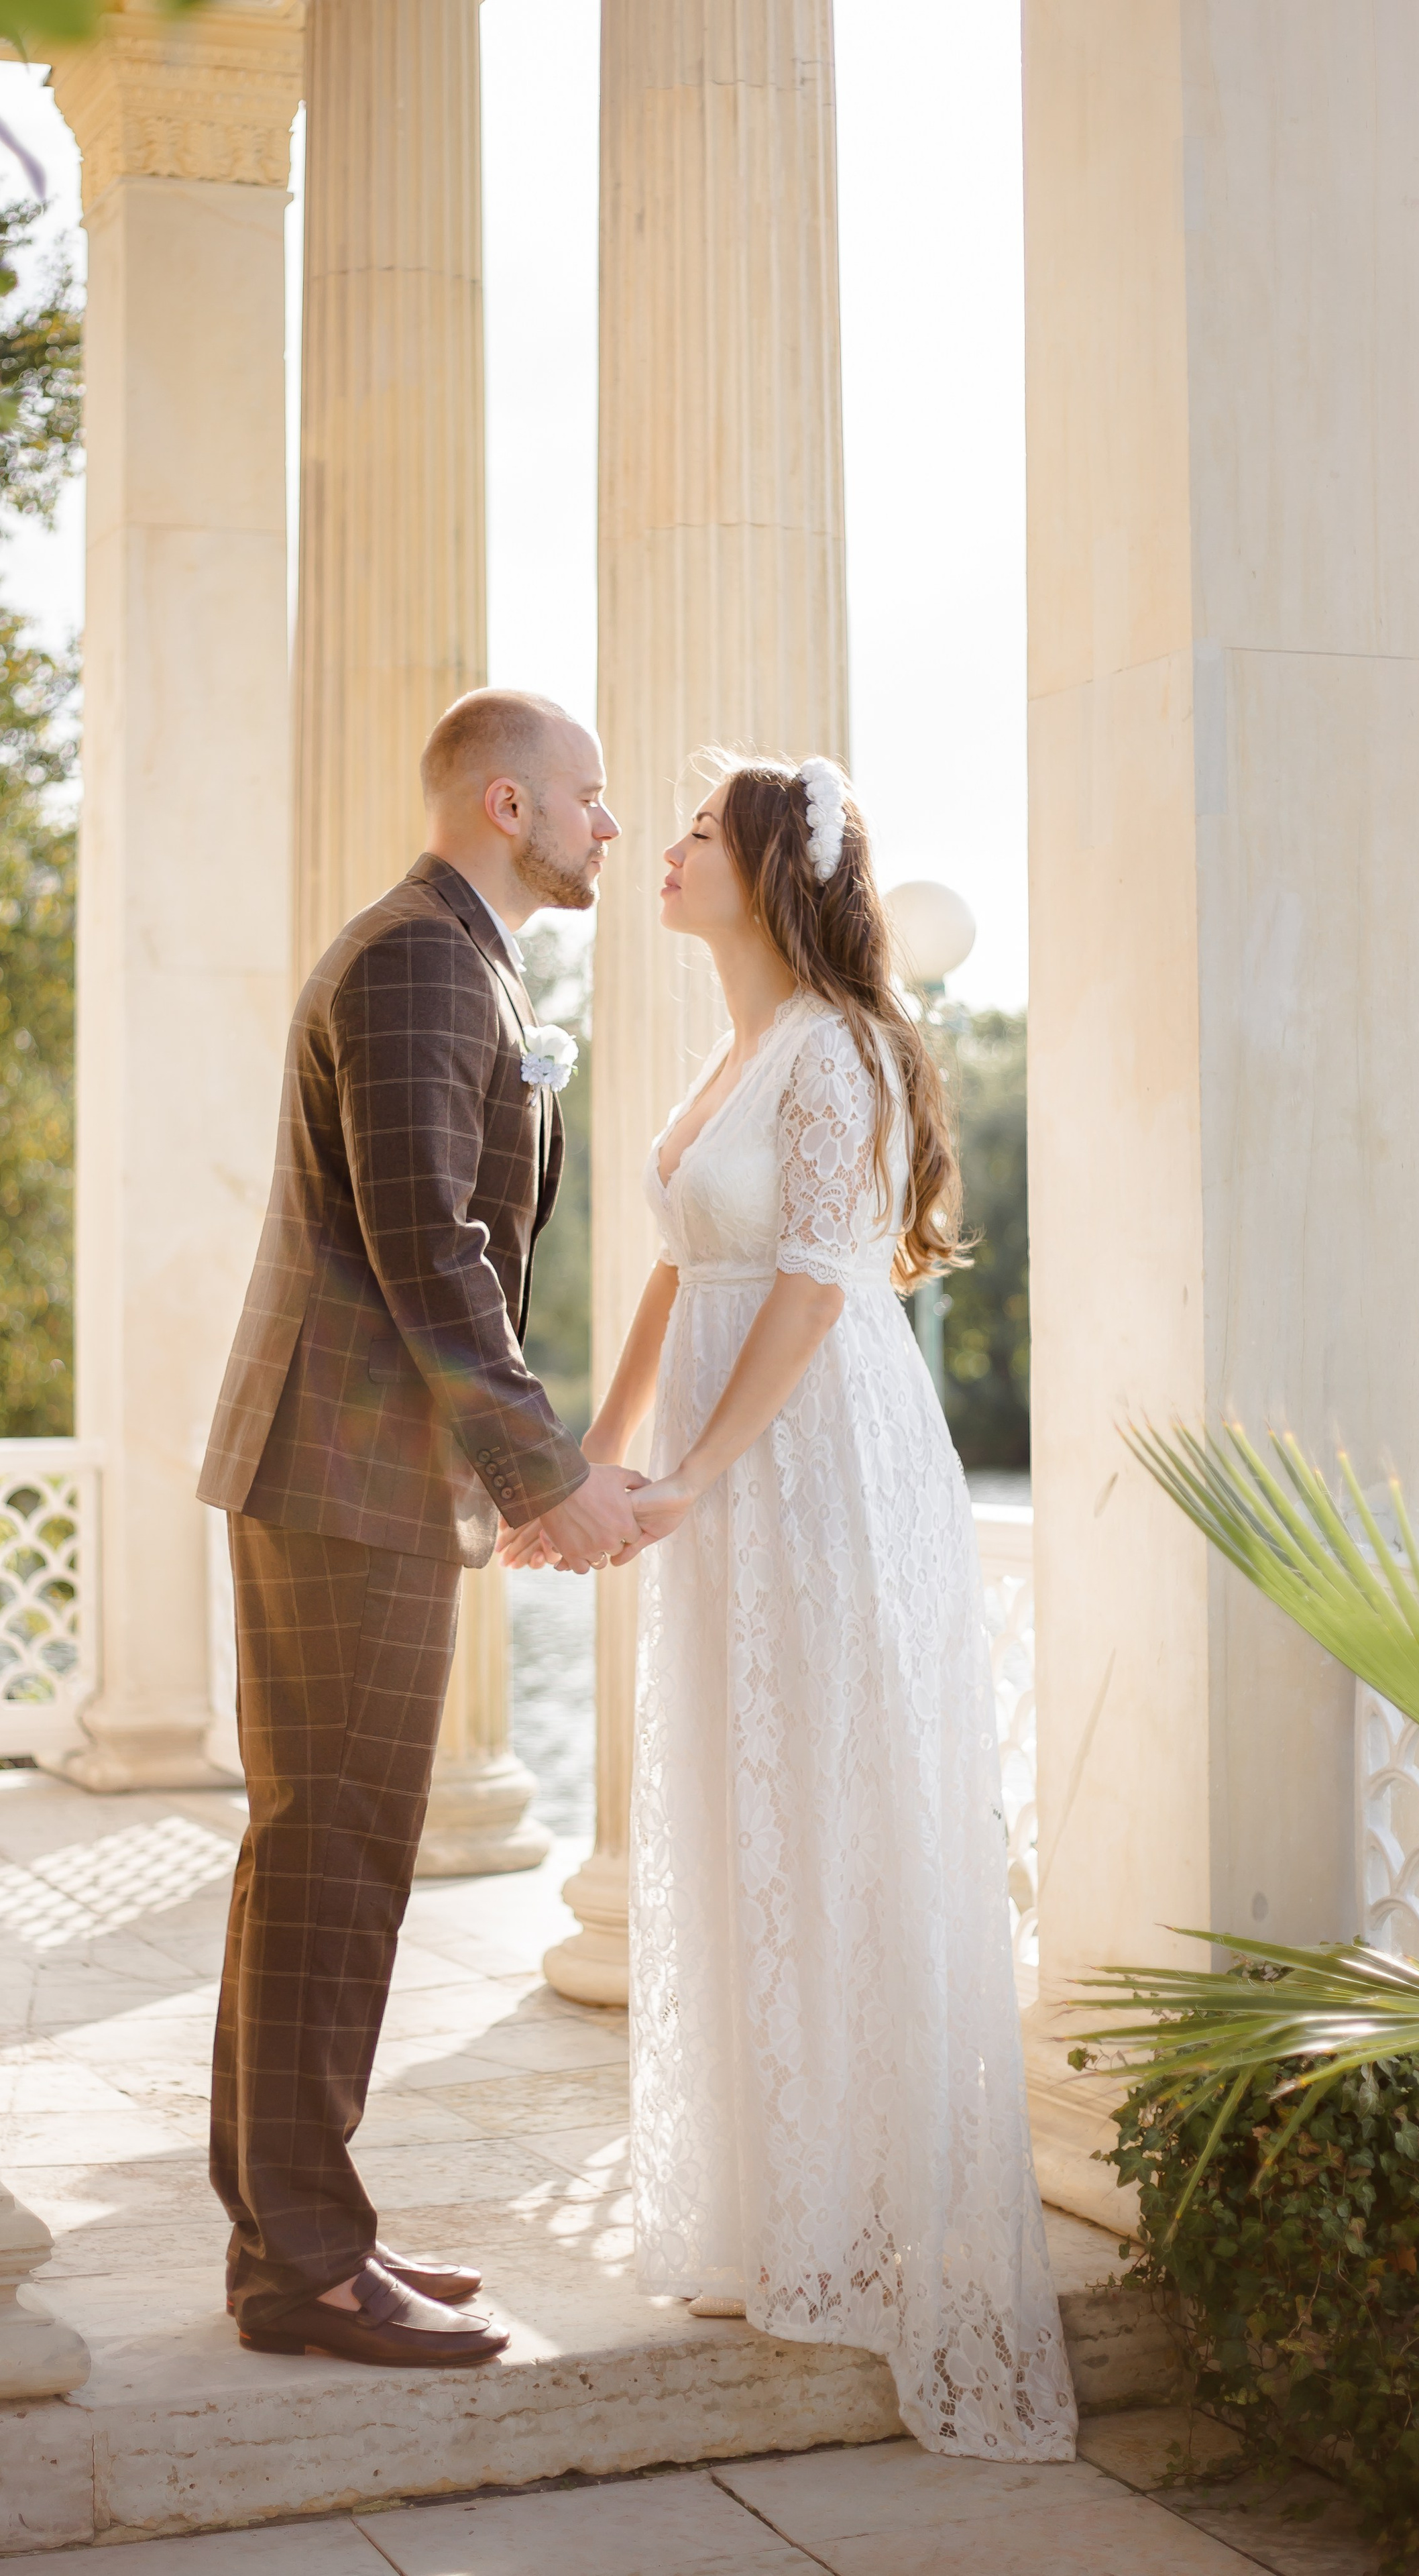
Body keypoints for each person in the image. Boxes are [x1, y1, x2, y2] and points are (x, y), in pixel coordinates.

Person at [502, 754, 1078, 2459]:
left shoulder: (835, 1052)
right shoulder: (734, 1052)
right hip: (720, 1462)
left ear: (763, 870)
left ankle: (867, 2219)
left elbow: (820, 1289)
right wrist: (582, 1465)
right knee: (739, 1810)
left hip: (813, 1467)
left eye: (688, 834)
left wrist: (693, 1479)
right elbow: (679, 1267)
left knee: (835, 1804)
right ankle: (775, 2211)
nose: (658, 852)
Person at [197, 688, 644, 2367]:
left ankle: (293, 2236)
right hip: (342, 1477)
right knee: (335, 1857)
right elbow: (426, 1249)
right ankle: (307, 2264)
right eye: (592, 799)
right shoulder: (416, 963)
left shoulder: (460, 960)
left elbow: (440, 1243)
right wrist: (547, 1476)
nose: (608, 827)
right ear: (509, 804)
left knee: (317, 1853)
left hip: (350, 1472)